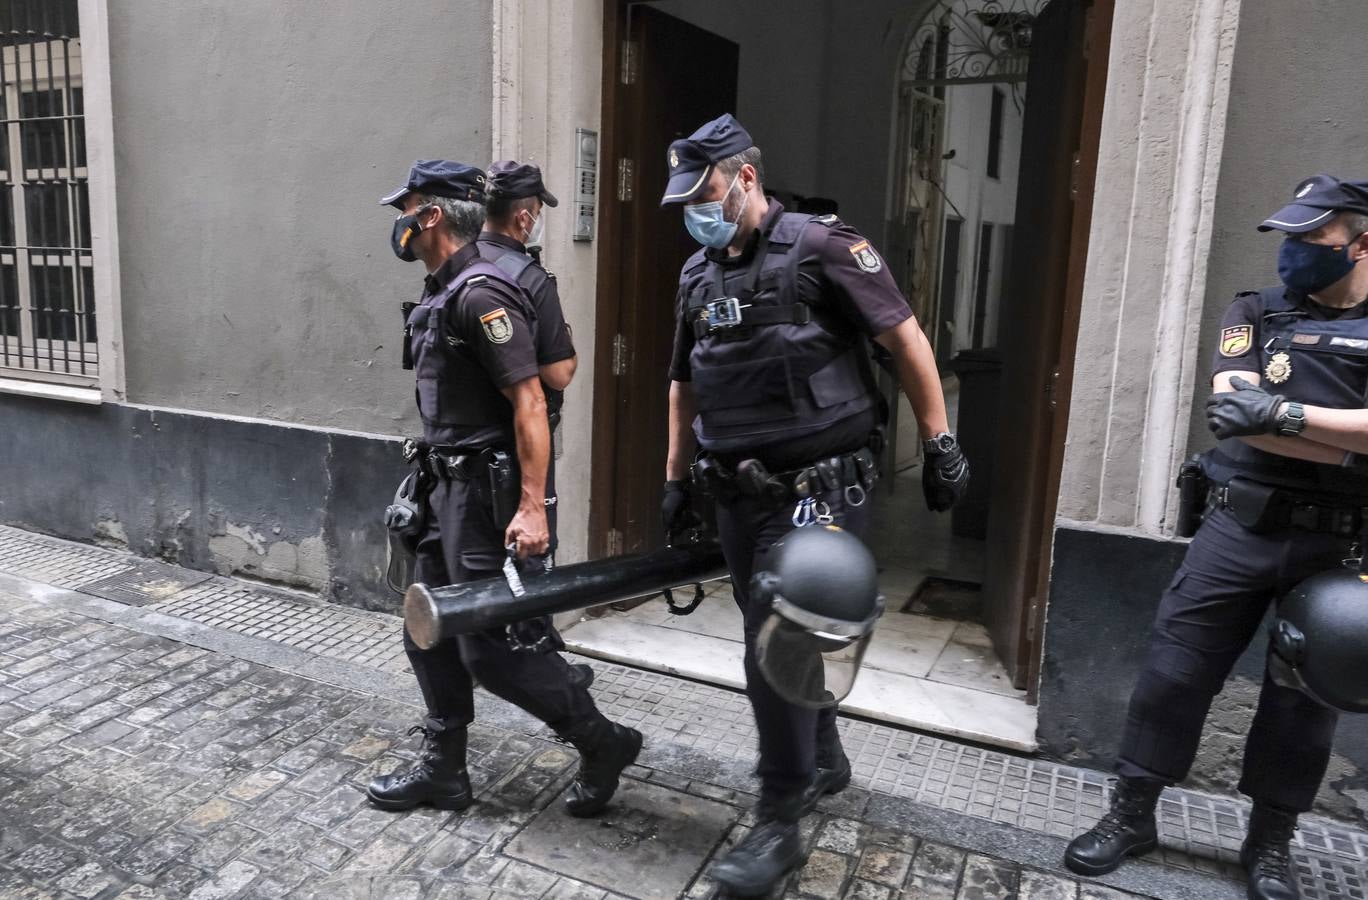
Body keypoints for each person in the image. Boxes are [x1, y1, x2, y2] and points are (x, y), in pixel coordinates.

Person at [659, 115, 969, 896]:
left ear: (746, 177)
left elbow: (905, 340)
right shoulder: (698, 275)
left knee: (782, 636)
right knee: (773, 633)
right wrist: (675, 478)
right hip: (736, 491)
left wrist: (939, 442)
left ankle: (778, 820)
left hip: (819, 487)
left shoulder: (824, 247)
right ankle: (823, 755)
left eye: (706, 193)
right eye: (686, 200)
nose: (696, 210)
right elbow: (683, 384)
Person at [1064, 175, 1368, 900]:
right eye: (1287, 238)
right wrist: (1346, 439)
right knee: (1173, 673)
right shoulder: (1253, 311)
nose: (1293, 251)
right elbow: (1232, 410)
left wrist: (1284, 418)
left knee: (1302, 706)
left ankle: (1269, 846)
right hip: (1239, 526)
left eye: (1311, 239)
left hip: (1334, 552)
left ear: (1361, 243)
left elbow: (1263, 417)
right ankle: (1131, 815)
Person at [366, 160, 641, 819]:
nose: (398, 223)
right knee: (424, 625)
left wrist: (530, 507)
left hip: (486, 496)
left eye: (404, 209)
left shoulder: (481, 294)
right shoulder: (444, 288)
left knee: (491, 650)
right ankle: (445, 770)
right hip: (444, 486)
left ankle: (603, 742)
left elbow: (531, 403)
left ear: (430, 215)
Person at [478, 160, 577, 434]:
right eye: (537, 213)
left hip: (460, 436)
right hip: (515, 440)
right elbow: (559, 375)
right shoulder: (531, 279)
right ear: (523, 218)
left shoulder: (457, 263)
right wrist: (566, 336)